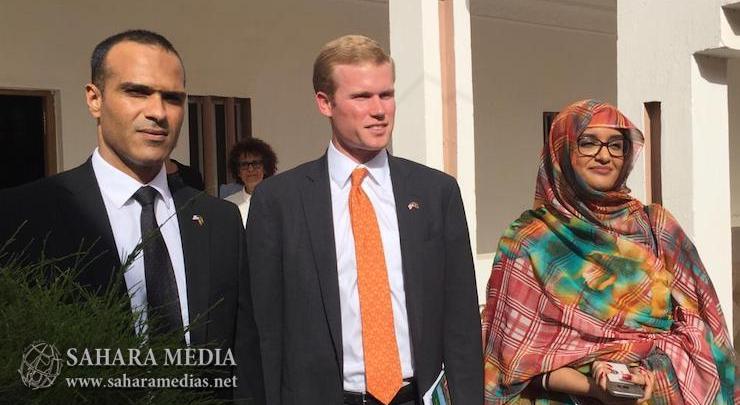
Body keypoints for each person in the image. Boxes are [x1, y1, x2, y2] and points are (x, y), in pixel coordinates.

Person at [0, 29, 264, 403]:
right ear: (94, 99)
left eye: (172, 98)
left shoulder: (219, 221)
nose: (158, 112)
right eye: (137, 91)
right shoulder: (24, 216)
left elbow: (245, 357)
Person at [242, 34, 483, 405]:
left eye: (386, 94)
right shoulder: (279, 201)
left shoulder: (436, 193)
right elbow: (264, 329)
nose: (380, 109)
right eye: (361, 97)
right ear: (325, 103)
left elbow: (461, 321)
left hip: (415, 395)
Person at [481, 99, 735, 404]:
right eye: (588, 143)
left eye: (616, 145)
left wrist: (649, 365)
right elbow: (509, 360)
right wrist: (593, 385)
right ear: (562, 151)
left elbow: (703, 326)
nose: (604, 155)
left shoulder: (656, 228)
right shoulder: (529, 240)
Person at [225, 138, 278, 227]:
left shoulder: (279, 202)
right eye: (244, 165)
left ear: (265, 168)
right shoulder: (228, 205)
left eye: (256, 163)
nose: (250, 169)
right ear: (238, 172)